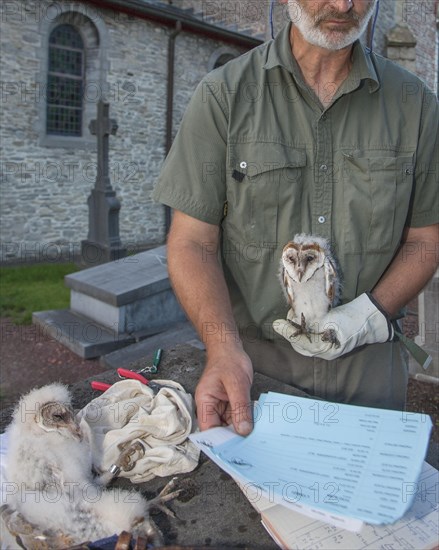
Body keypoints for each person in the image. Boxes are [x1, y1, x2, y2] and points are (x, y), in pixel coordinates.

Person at [153, 0, 439, 435]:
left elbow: (426, 239)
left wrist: (369, 313)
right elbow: (193, 241)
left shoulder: (415, 105)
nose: (343, 4)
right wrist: (223, 349)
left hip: (371, 374)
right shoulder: (224, 95)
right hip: (256, 370)